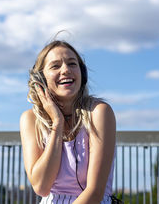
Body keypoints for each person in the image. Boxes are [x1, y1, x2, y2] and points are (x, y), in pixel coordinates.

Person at [20, 40, 117, 204]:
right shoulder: (31, 120)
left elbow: (94, 192)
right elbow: (42, 187)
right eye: (55, 66)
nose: (65, 70)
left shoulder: (99, 113)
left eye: (72, 64)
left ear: (82, 74)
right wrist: (57, 123)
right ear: (41, 80)